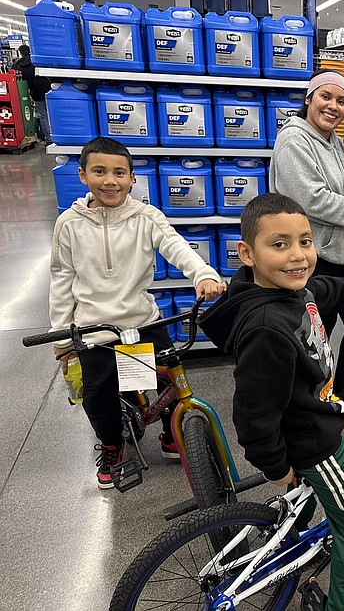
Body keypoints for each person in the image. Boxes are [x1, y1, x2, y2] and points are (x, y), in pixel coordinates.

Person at [199, 193, 344, 611]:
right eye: (279, 244)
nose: (298, 255)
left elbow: (326, 289)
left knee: (299, 507)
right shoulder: (268, 327)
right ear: (247, 253)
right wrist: (275, 466)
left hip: (300, 426)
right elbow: (252, 413)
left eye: (305, 241)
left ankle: (287, 539)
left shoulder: (292, 290)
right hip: (313, 441)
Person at [49, 137, 226, 488]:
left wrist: (203, 274)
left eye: (119, 173)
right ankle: (111, 444)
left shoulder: (146, 216)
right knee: (98, 394)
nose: (110, 180)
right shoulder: (69, 223)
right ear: (83, 175)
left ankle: (172, 434)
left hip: (141, 319)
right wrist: (62, 336)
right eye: (99, 171)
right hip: (93, 328)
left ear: (132, 178)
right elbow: (61, 278)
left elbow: (175, 245)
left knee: (169, 379)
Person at [271, 70, 344, 416]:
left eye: (341, 100)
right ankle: (313, 397)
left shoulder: (333, 139)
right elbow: (313, 201)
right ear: (309, 99)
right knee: (319, 332)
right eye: (325, 97)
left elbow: (342, 186)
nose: (333, 106)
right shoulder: (294, 141)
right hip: (315, 256)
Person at [12, 44, 51, 142]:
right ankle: (51, 135)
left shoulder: (18, 65)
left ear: (20, 53)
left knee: (41, 115)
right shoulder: (36, 62)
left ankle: (45, 136)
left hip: (32, 92)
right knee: (50, 114)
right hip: (48, 90)